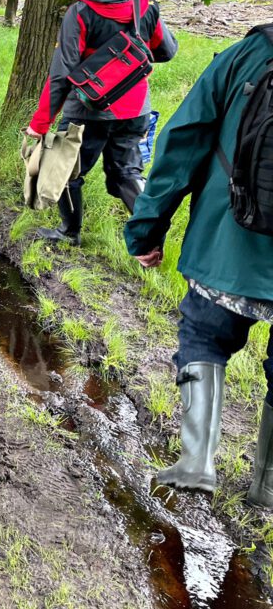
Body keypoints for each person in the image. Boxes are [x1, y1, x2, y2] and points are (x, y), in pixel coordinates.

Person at [124, 25, 273, 505]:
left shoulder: (250, 53)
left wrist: (147, 228)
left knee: (204, 339)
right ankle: (267, 488)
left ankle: (196, 463)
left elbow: (181, 143)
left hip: (227, 243)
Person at [25, 0, 178, 246]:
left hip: (87, 111)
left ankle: (69, 233)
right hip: (135, 109)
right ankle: (151, 237)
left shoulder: (80, 11)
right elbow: (167, 50)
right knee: (126, 173)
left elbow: (61, 75)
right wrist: (128, 67)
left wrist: (40, 124)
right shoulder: (143, 4)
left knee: (67, 172)